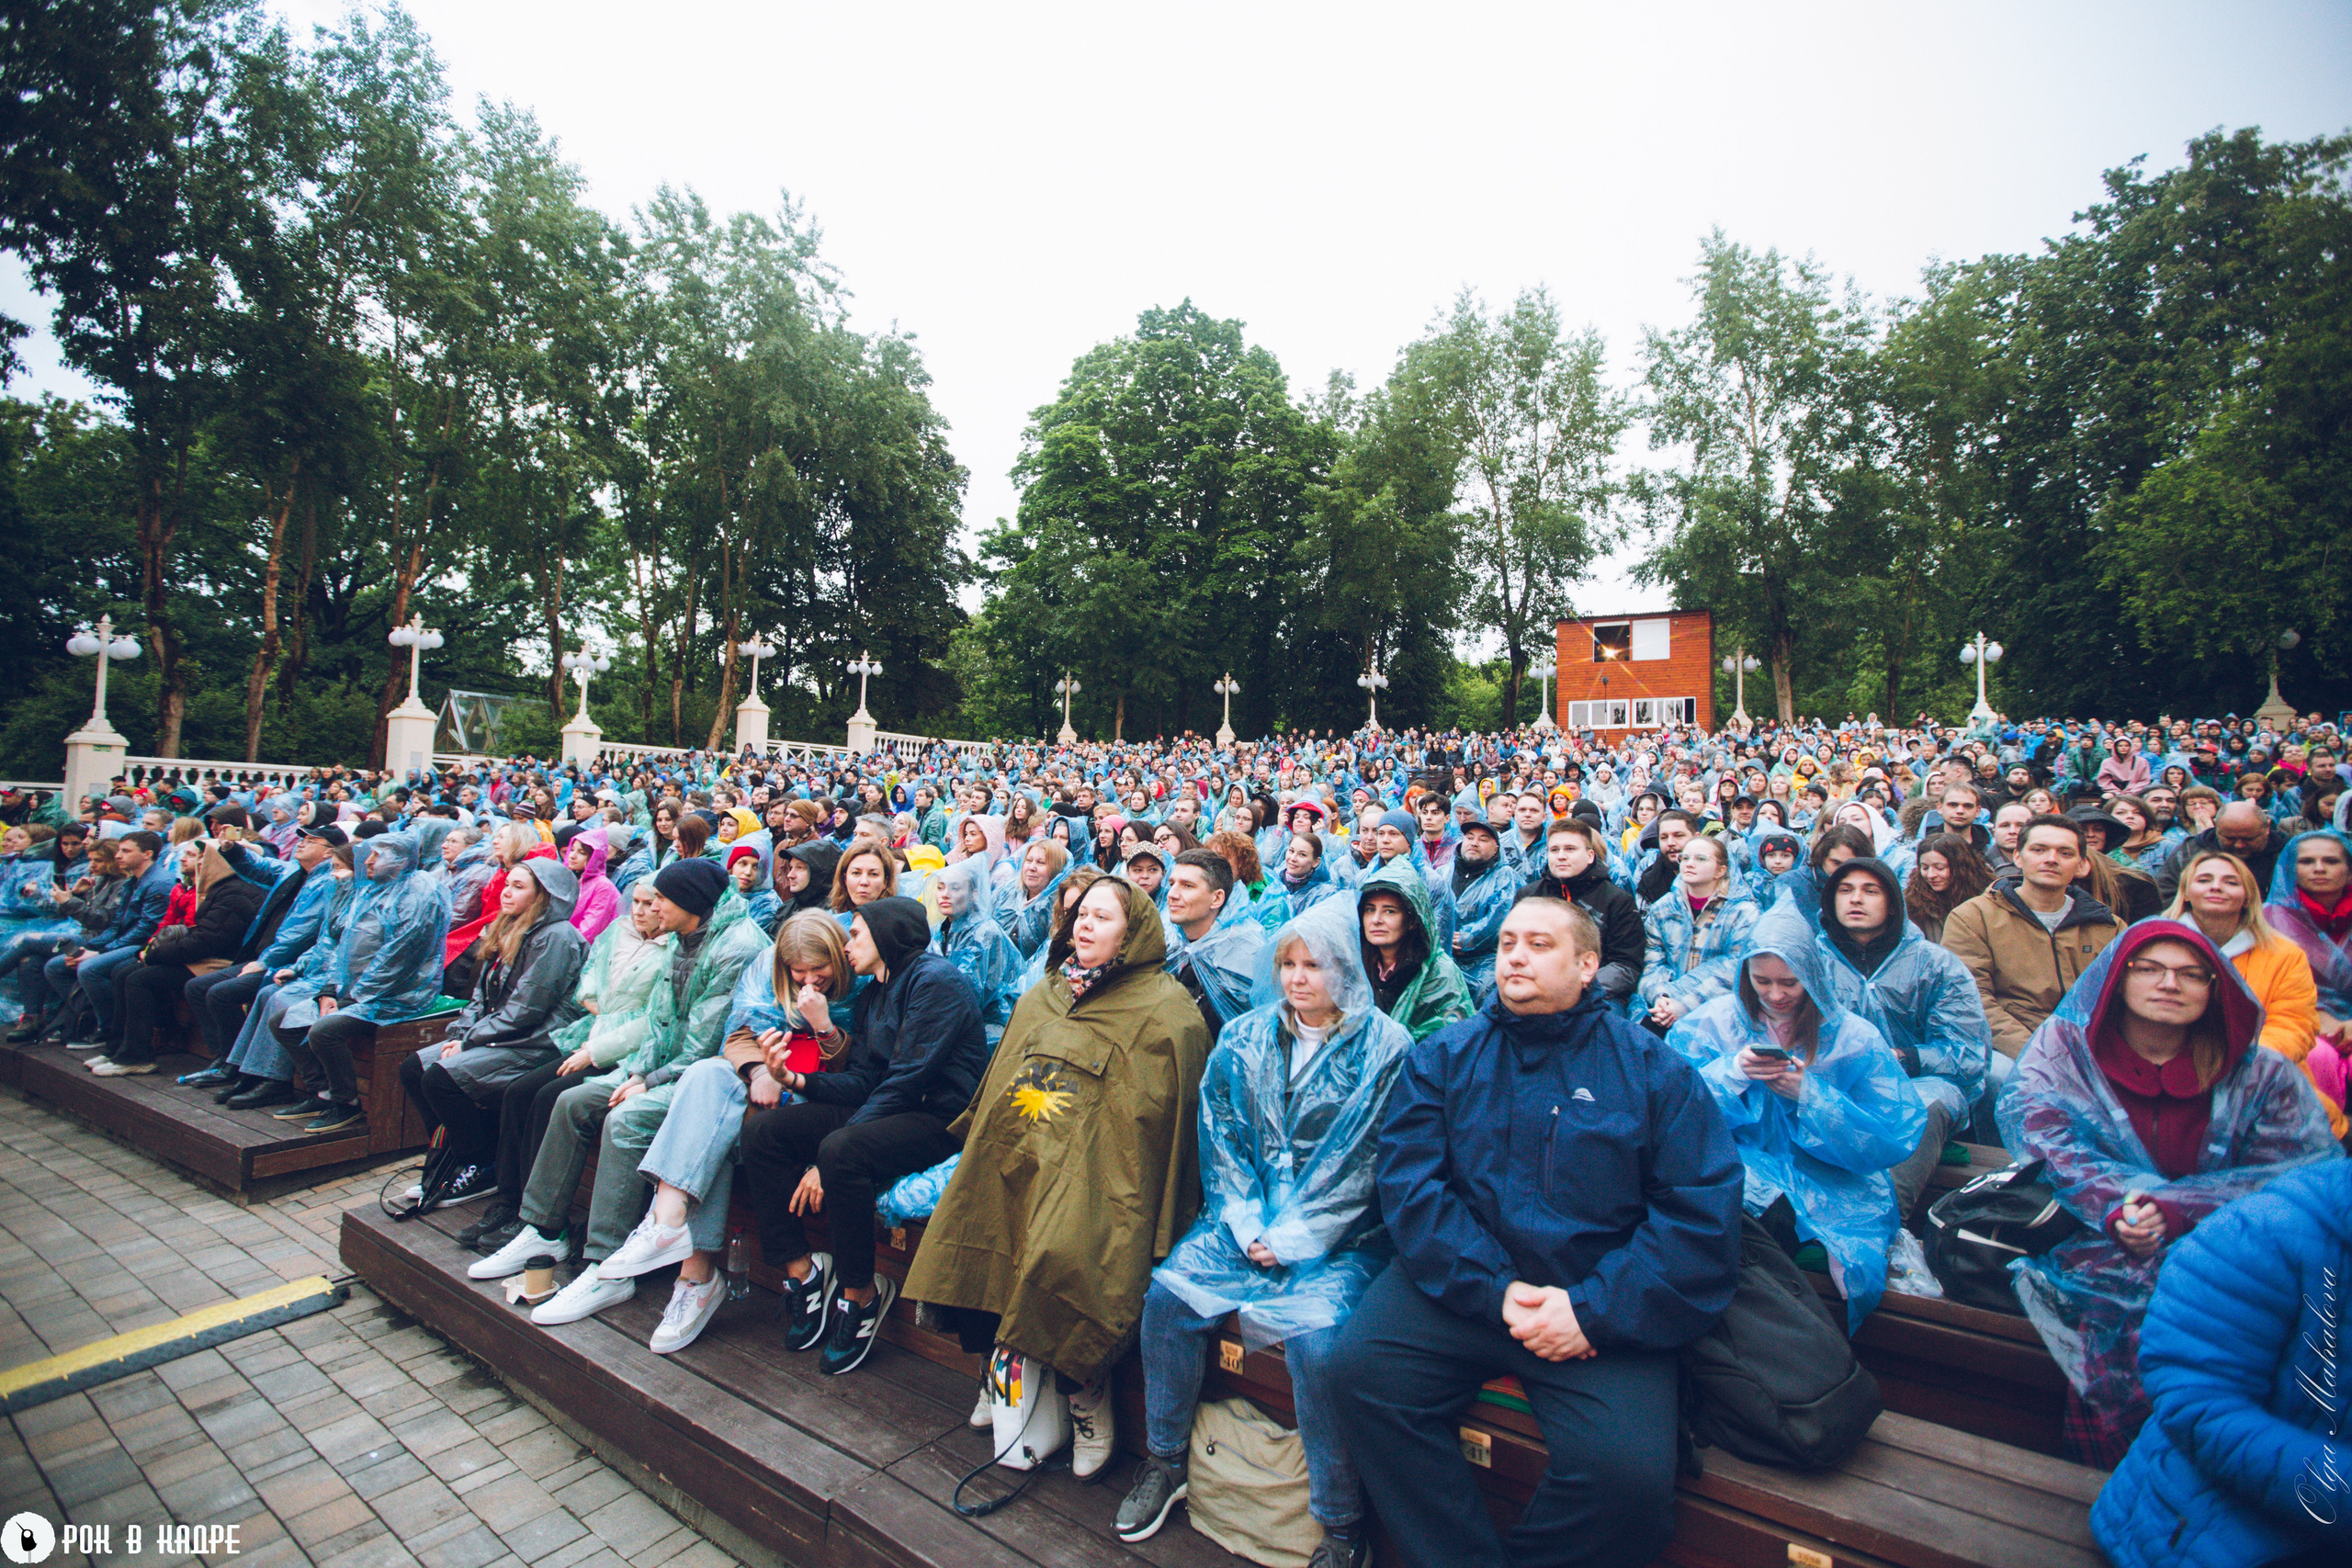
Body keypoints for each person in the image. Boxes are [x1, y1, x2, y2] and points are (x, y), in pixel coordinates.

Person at [1331, 897, 1743, 1568]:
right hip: (1469, 1284)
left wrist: (1590, 1310)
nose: (1515, 955)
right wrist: (1492, 1287)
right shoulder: (1447, 1055)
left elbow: (1699, 1212)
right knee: (1358, 1375)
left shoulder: (1652, 1069)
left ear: (1587, 966)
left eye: (1539, 944)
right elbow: (1412, 1188)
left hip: (1599, 1301)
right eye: (1507, 942)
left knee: (1627, 1480)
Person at [1114, 896, 1410, 1562]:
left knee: (1318, 1346)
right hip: (1245, 1222)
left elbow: (1363, 1162)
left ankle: (1339, 1523)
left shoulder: (1387, 1046)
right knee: (1167, 1300)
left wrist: (1294, 1238)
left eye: (1316, 964)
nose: (1299, 977)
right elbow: (1220, 1135)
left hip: (1344, 1240)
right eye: (1289, 964)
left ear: (1347, 969)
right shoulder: (1245, 1036)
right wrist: (1245, 1220)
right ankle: (1165, 1461)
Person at [1999, 919, 2340, 1466]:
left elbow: (2297, 1173)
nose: (2169, 984)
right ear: (2117, 977)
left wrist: (2176, 1210)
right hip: (2090, 1235)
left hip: (2234, 1246)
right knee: (2122, 1305)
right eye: (2149, 969)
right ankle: (2129, 1470)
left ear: (2215, 987)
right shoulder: (2065, 1053)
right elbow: (2045, 1138)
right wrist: (2119, 1205)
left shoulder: (2261, 1075)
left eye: (2191, 974)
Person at [907, 876, 1213, 1482]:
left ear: (1135, 932)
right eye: (1080, 913)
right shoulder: (1043, 994)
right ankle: (999, 1368)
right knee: (974, 1215)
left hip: (1104, 1176)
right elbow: (1002, 1087)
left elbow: (1162, 1124)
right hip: (1021, 1149)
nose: (1085, 924)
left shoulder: (1166, 1010)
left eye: (1102, 916)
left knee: (1071, 1246)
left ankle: (1085, 1391)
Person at [694, 897, 987, 1371]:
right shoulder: (874, 992)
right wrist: (794, 1080)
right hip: (891, 1107)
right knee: (764, 1133)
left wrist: (820, 1165)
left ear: (886, 935)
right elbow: (868, 1080)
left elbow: (905, 1082)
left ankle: (860, 1293)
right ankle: (801, 1273)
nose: (847, 944)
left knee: (840, 1150)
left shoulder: (936, 983)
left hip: (938, 1119)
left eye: (856, 934)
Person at [504, 857, 768, 1325]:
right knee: (572, 1101)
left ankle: (605, 1266)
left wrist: (647, 1081)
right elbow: (658, 1019)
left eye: (660, 900)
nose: (648, 907)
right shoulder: (681, 936)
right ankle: (543, 1229)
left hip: (714, 1075)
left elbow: (708, 1041)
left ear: (688, 904)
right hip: (665, 1067)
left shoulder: (735, 947)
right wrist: (639, 1071)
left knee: (625, 1121)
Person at [2088, 1157, 2352, 1568]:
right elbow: (2198, 1402)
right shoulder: (2269, 1232)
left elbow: (2283, 1148)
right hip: (2211, 1532)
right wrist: (2159, 1206)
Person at [467, 878, 673, 1250]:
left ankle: (539, 1216)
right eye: (636, 902)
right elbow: (588, 977)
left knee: (550, 1097)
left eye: (649, 903)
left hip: (623, 1050)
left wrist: (596, 1049)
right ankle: (510, 1199)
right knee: (519, 1092)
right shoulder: (619, 930)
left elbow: (652, 1017)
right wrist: (597, 1005)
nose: (640, 911)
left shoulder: (670, 947)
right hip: (593, 1030)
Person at [399, 859, 587, 1203]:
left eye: (519, 887)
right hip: (499, 1034)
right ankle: (456, 1151)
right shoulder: (509, 926)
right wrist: (459, 1035)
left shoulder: (557, 937)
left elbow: (526, 1010)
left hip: (536, 1041)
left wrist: (469, 1042)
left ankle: (481, 1165)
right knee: (414, 1068)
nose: (506, 893)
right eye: (507, 884)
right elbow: (480, 997)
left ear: (543, 896)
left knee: (441, 1079)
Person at [1813, 857, 1990, 1221]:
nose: (1855, 899)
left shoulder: (1937, 965)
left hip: (1921, 1084)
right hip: (1833, 1080)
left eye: (1870, 891)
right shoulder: (1810, 963)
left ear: (1892, 902)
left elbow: (1968, 1054)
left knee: (1922, 1107)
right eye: (1845, 891)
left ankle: (1874, 1226)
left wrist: (1905, 1058)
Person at [268, 830, 450, 1134]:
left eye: (377, 854)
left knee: (324, 1031)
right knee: (282, 1023)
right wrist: (329, 990)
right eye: (369, 853)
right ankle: (323, 1093)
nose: (368, 860)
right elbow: (343, 947)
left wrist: (352, 997)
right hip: (355, 992)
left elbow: (399, 960)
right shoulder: (371, 888)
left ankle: (346, 1103)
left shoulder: (419, 894)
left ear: (400, 859)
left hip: (399, 996)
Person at [1942, 814, 2121, 1090]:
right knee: (1999, 1077)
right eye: (2039, 850)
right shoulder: (1974, 917)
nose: (2051, 859)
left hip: (2090, 1043)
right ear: (2018, 856)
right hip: (2011, 1044)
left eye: (2065, 853)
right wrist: (2036, 1050)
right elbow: (1974, 1000)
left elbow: (2125, 998)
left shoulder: (2108, 926)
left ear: (2083, 864)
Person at [2164, 848, 2332, 1134]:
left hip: (2260, 1081)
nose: (2216, 886)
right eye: (2204, 879)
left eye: (2231, 881)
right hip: (2167, 1079)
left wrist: (2236, 1063)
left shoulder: (2284, 955)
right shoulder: (2153, 943)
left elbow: (2295, 1025)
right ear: (2186, 893)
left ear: (2247, 897)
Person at [90, 840, 264, 1076]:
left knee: (140, 978)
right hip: (204, 956)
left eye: (202, 856)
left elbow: (209, 940)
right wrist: (151, 951)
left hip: (218, 961)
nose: (195, 861)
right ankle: (118, 1048)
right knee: (124, 971)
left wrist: (155, 955)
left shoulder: (234, 892)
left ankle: (137, 1056)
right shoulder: (220, 888)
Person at [39, 829, 171, 1049]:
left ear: (147, 854)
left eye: (126, 851)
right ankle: (87, 1015)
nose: (118, 855)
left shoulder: (159, 883)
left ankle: (108, 1027)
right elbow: (116, 925)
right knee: (55, 967)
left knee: (89, 969)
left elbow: (146, 930)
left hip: (144, 945)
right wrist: (87, 949)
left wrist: (100, 953)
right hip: (123, 940)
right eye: (119, 850)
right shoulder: (132, 880)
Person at [1634, 834, 1759, 1035]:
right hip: (1664, 1007)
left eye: (1700, 859)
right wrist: (1661, 996)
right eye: (1685, 858)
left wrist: (1685, 1004)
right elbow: (1652, 960)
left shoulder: (1743, 912)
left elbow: (1736, 968)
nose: (1689, 864)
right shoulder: (1663, 908)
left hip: (1719, 1013)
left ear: (1721, 870)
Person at [1516, 818, 1644, 1006]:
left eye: (1570, 849)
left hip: (1596, 995)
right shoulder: (1529, 897)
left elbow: (1626, 965)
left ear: (1590, 855)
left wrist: (1575, 985)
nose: (1561, 856)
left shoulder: (1617, 901)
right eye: (1554, 850)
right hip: (1535, 989)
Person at [1358, 863, 1472, 1043]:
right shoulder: (1357, 964)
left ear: (1412, 920)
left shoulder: (1439, 973)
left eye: (1390, 911)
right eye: (1370, 910)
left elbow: (1451, 1042)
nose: (1376, 920)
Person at [1163, 848, 1264, 1043]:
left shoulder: (1243, 957)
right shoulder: (1172, 943)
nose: (1172, 894)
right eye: (1172, 884)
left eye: (1187, 886)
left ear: (1217, 898)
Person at [2152, 800, 2288, 907]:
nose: (2239, 845)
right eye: (2229, 838)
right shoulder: (2189, 851)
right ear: (2216, 826)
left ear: (2267, 827)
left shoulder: (2289, 854)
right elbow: (2164, 894)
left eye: (2249, 839)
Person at [1447, 817, 1517, 1002]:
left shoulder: (1504, 876)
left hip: (1485, 958)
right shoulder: (1444, 872)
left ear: (1496, 848)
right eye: (1470, 837)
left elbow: (1498, 918)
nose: (1474, 843)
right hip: (1445, 953)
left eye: (1483, 839)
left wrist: (1468, 938)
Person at [1902, 831, 1992, 946]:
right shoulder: (1912, 903)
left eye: (1939, 868)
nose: (1930, 875)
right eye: (1925, 868)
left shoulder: (1987, 899)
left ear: (1960, 867)